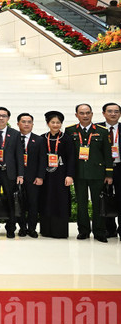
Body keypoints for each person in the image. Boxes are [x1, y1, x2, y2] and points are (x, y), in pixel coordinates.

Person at [67, 104, 114, 243]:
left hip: (97, 174)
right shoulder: (70, 131)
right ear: (76, 115)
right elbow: (69, 155)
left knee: (98, 203)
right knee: (81, 204)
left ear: (92, 114)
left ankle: (99, 231)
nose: (85, 116)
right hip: (79, 174)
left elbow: (107, 154)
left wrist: (109, 174)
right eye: (82, 113)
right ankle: (83, 231)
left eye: (88, 113)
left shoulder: (102, 131)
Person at [40, 111, 75, 239]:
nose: (55, 125)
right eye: (53, 122)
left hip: (61, 175)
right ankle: (46, 230)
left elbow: (71, 158)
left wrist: (70, 175)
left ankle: (59, 231)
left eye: (58, 122)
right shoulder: (42, 138)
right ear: (48, 123)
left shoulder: (66, 139)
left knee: (60, 201)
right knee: (46, 199)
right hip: (46, 175)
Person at [0, 106, 24, 238]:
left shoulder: (15, 134)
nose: (1, 118)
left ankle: (11, 227)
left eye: (4, 116)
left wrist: (20, 174)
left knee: (11, 201)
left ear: (8, 118)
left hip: (9, 173)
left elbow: (19, 156)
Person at [16, 113, 46, 238]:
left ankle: (32, 228)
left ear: (33, 124)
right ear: (18, 124)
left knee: (33, 204)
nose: (26, 124)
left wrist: (40, 176)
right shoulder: (13, 138)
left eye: (29, 122)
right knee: (19, 203)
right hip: (17, 177)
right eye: (23, 121)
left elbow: (43, 160)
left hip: (33, 178)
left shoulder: (39, 140)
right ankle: (22, 228)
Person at [98, 102, 121, 239]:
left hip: (120, 167)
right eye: (110, 111)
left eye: (116, 111)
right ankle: (109, 228)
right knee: (106, 197)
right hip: (103, 169)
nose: (113, 114)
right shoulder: (98, 128)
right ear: (104, 113)